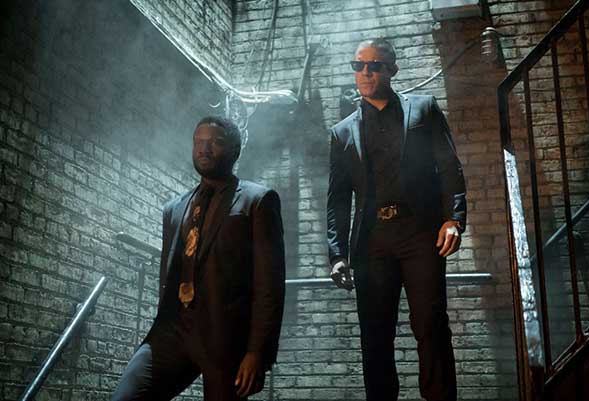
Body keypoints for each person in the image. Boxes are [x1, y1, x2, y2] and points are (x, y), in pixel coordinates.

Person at [327, 38, 466, 401]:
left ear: (392, 70)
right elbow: (338, 199)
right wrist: (337, 254)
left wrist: (453, 219)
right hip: (371, 241)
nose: (365, 72)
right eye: (359, 66)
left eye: (374, 65)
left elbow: (450, 167)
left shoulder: (423, 109)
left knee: (431, 327)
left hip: (420, 233)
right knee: (374, 335)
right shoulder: (342, 132)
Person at [111, 116, 286, 401]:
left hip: (225, 336)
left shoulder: (257, 200)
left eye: (215, 142)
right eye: (198, 142)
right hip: (172, 331)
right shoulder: (174, 208)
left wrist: (257, 352)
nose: (204, 148)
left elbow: (270, 285)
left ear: (235, 150)